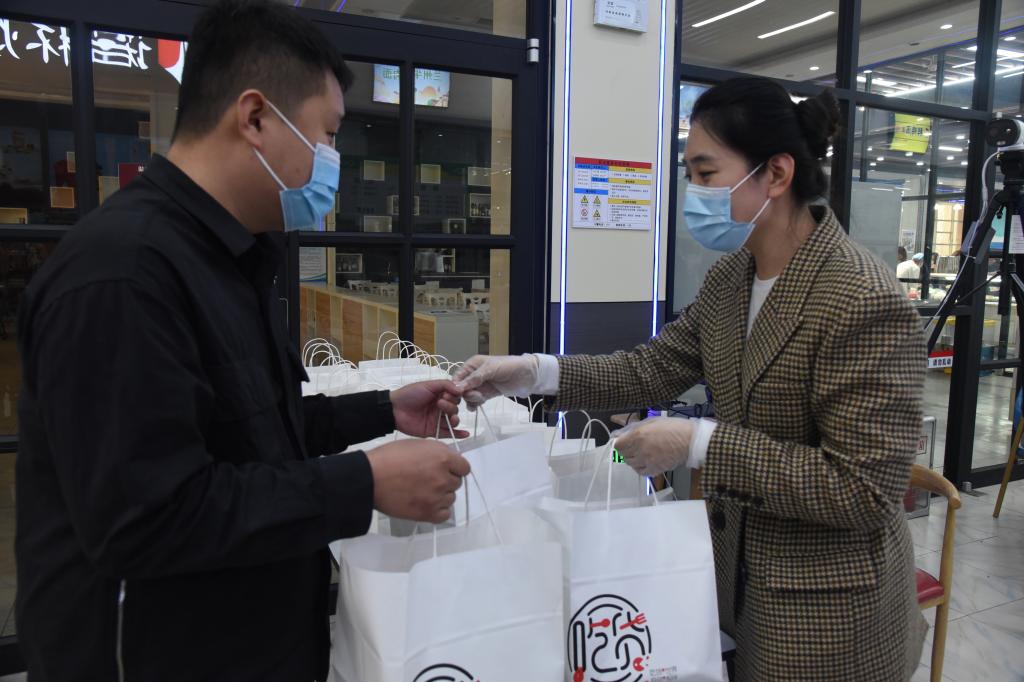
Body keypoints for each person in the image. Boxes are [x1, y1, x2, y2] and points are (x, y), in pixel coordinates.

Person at [16, 2, 470, 680]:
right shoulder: (124, 274)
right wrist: (364, 482)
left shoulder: (228, 258)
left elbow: (250, 432)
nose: (334, 161)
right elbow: (149, 517)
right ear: (255, 117)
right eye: (328, 134)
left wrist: (382, 411)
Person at [456, 78, 927, 681]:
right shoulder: (732, 278)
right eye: (690, 175)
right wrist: (532, 372)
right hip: (734, 583)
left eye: (706, 173)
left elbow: (864, 489)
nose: (694, 193)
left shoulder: (860, 296)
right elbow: (650, 368)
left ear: (776, 174)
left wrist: (696, 443)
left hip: (827, 615)